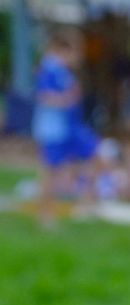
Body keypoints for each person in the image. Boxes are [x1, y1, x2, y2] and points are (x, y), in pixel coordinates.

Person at [32, 29, 98, 218]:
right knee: (50, 171)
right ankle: (44, 214)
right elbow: (43, 97)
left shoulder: (62, 71)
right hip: (54, 130)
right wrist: (66, 99)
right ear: (64, 50)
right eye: (76, 51)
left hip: (71, 127)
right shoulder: (49, 68)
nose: (79, 56)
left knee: (94, 154)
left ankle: (87, 202)